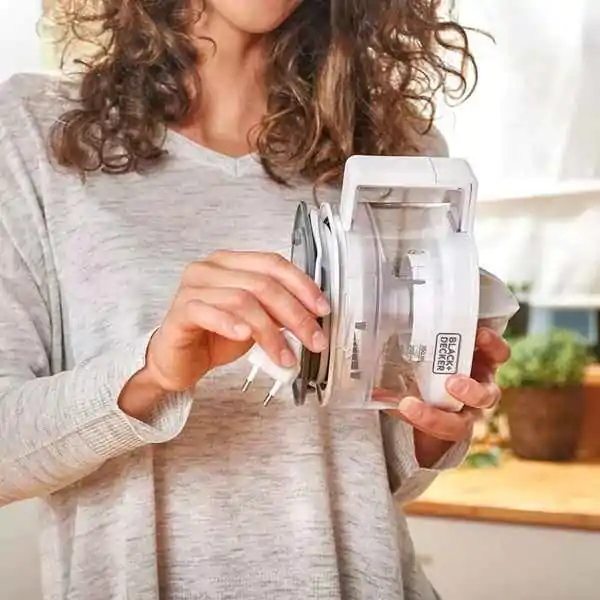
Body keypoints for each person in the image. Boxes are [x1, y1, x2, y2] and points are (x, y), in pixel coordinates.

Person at [0, 1, 510, 599]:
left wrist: (433, 422)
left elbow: (379, 476)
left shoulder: (400, 149)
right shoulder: (36, 132)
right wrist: (150, 374)